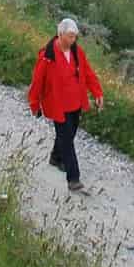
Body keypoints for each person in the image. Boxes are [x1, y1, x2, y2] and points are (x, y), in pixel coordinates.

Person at [27, 17, 104, 196]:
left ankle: (56, 157)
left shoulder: (77, 52)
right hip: (58, 105)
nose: (73, 40)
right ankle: (74, 179)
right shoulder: (47, 56)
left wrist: (97, 93)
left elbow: (88, 73)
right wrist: (34, 103)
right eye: (70, 36)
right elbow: (37, 81)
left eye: (75, 36)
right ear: (60, 34)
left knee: (69, 134)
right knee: (67, 140)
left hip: (75, 102)